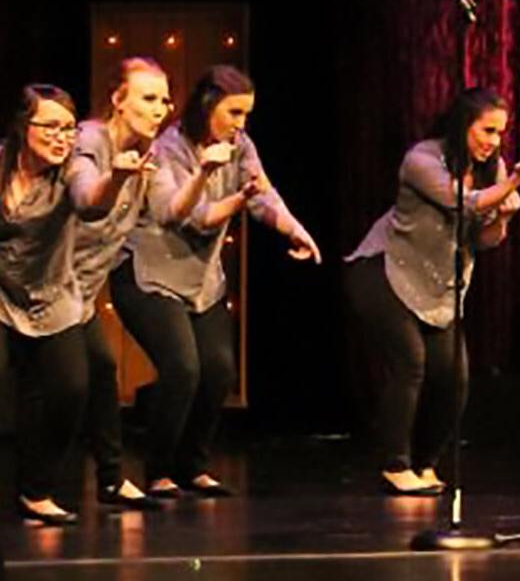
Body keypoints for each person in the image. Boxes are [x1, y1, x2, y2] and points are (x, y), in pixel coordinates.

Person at [110, 65, 321, 498]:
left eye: (246, 114)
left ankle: (192, 464)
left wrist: (292, 227)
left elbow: (263, 192)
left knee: (219, 371)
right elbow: (191, 217)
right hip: (150, 274)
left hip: (202, 280)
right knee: (183, 368)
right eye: (235, 112)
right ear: (208, 106)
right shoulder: (168, 148)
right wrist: (225, 189)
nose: (241, 124)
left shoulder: (239, 144)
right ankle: (159, 469)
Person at [344, 87, 520, 495]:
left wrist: (506, 218)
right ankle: (395, 463)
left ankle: (425, 463)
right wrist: (513, 182)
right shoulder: (422, 159)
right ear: (464, 125)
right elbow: (463, 203)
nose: (494, 142)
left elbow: (484, 238)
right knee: (411, 360)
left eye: (500, 134)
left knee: (454, 375)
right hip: (383, 270)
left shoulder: (494, 170)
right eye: (487, 130)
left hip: (438, 286)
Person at [1, 84, 149, 524]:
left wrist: (117, 177)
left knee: (70, 389)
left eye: (69, 127)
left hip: (53, 293)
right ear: (23, 127)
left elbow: (90, 202)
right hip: (1, 291)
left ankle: (37, 490)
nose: (62, 136)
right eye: (51, 126)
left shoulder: (71, 171)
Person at [70, 58, 178, 511]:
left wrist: (211, 177)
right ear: (118, 100)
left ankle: (110, 480)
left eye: (164, 100)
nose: (160, 109)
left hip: (78, 291)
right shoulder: (90, 140)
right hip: (33, 282)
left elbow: (173, 210)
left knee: (98, 371)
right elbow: (86, 201)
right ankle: (42, 488)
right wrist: (118, 177)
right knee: (68, 382)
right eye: (148, 98)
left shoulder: (149, 153)